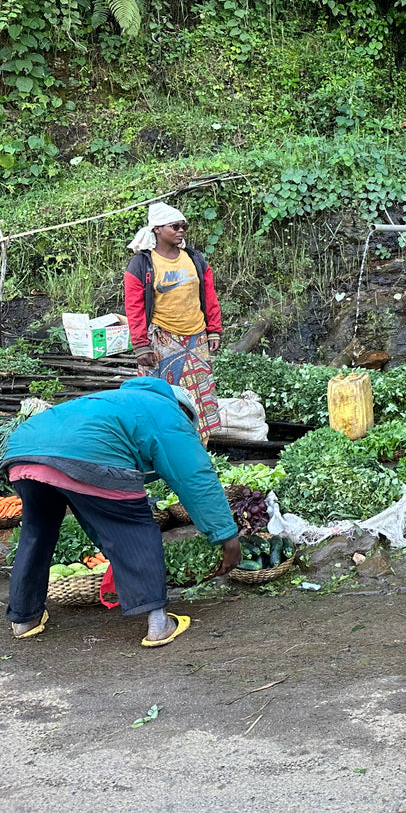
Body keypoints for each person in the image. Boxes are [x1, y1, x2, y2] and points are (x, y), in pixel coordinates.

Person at [4, 378, 241, 645]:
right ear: (184, 411)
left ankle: (24, 619)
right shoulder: (168, 413)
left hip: (23, 452)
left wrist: (113, 550)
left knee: (37, 532)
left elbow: (95, 512)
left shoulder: (112, 401)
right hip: (88, 454)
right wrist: (226, 536)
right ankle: (158, 623)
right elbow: (195, 477)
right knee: (134, 527)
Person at [124, 202, 224, 444]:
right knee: (164, 398)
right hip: (163, 340)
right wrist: (140, 345)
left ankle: (200, 447)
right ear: (157, 229)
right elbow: (134, 306)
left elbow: (209, 295)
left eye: (184, 227)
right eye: (175, 226)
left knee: (199, 398)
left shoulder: (194, 259)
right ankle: (166, 447)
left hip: (196, 337)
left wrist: (214, 330)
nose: (181, 231)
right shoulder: (142, 264)